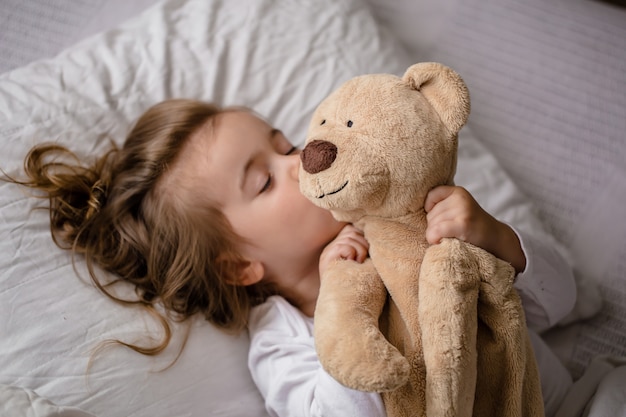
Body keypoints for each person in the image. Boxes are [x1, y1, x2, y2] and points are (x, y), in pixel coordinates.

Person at [6, 99, 576, 416]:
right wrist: (342, 304)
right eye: (264, 180)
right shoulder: (279, 342)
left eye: (284, 144)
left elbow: (565, 300)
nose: (301, 159)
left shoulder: (413, 226)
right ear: (236, 265)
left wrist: (494, 238)